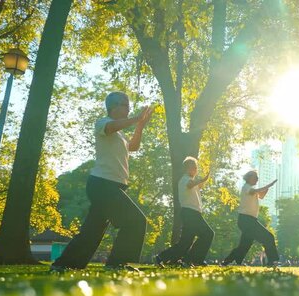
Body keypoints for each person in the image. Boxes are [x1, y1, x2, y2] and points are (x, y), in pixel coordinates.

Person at [51, 92, 153, 271]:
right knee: (136, 220)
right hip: (102, 184)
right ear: (113, 106)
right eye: (125, 105)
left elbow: (134, 147)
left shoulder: (120, 136)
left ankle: (64, 265)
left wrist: (140, 125)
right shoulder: (103, 123)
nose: (129, 109)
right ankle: (117, 264)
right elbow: (111, 127)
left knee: (92, 230)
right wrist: (137, 118)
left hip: (112, 185)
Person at [154, 157, 214, 267]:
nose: (196, 170)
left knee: (185, 243)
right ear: (188, 168)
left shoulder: (190, 180)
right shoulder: (185, 179)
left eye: (196, 168)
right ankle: (194, 259)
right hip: (190, 213)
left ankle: (162, 257)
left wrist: (204, 180)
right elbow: (190, 184)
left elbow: (196, 186)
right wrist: (202, 179)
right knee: (208, 234)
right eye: (194, 168)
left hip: (191, 213)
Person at [222, 171, 279, 267]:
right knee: (268, 237)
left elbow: (261, 196)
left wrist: (268, 188)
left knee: (245, 244)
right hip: (246, 220)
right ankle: (272, 261)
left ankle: (229, 261)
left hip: (249, 221)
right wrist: (269, 184)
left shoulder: (251, 189)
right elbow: (255, 192)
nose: (257, 179)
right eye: (255, 177)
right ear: (249, 178)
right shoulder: (246, 187)